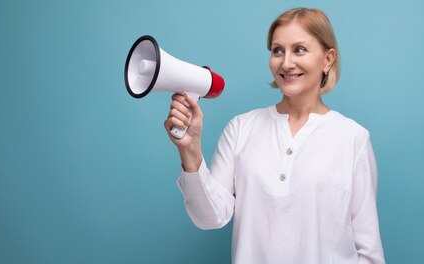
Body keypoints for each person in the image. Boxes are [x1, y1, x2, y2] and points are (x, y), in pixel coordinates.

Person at [164, 7, 385, 264]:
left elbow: (368, 251)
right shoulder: (241, 128)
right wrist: (189, 149)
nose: (286, 63)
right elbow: (209, 217)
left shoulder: (353, 139)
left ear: (328, 59)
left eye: (299, 49)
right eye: (277, 50)